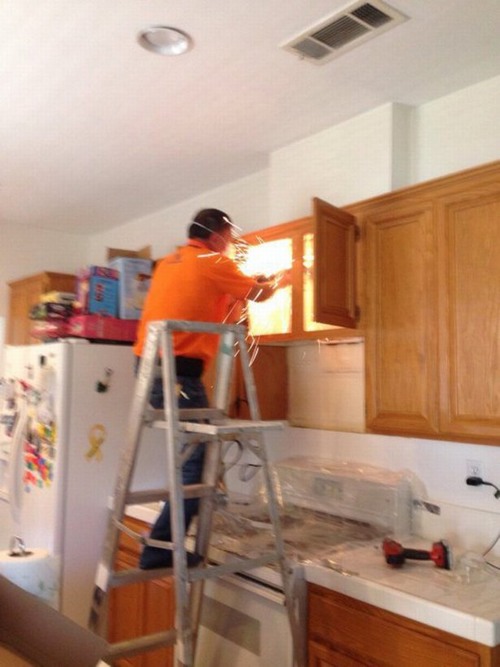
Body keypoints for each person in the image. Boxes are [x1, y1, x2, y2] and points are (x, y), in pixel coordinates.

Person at [133, 208, 291, 569]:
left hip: (149, 368)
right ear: (219, 236)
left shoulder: (170, 262)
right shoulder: (213, 261)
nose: (231, 245)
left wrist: (248, 284)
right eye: (230, 239)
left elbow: (211, 295)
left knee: (192, 456)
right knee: (197, 464)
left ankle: (161, 541)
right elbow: (259, 294)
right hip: (176, 375)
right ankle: (159, 547)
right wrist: (284, 280)